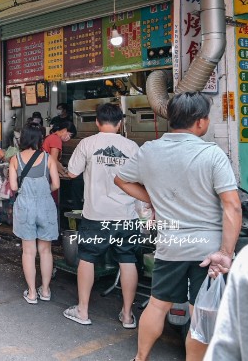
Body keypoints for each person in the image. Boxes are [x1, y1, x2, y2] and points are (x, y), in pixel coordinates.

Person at [114, 92, 241, 361]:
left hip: (170, 245)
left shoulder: (150, 149)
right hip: (208, 250)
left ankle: (140, 358)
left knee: (158, 305)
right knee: (201, 313)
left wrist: (154, 198)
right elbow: (232, 206)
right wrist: (226, 253)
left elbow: (121, 180)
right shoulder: (212, 154)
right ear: (200, 122)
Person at [62, 103, 141, 328]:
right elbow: (141, 179)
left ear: (97, 122)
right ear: (120, 123)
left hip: (96, 215)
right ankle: (127, 316)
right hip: (126, 215)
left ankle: (83, 311)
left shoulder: (88, 144)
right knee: (128, 261)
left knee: (87, 259)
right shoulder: (132, 146)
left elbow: (72, 172)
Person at [9, 123, 60, 304]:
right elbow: (56, 184)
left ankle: (31, 293)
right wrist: (43, 192)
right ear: (40, 139)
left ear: (23, 138)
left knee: (28, 251)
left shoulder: (15, 159)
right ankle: (45, 291)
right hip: (46, 205)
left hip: (25, 205)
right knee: (46, 251)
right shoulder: (48, 158)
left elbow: (14, 187)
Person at [204, 235, 248, 361]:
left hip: (173, 250)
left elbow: (225, 350)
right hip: (210, 249)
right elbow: (233, 213)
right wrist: (225, 253)